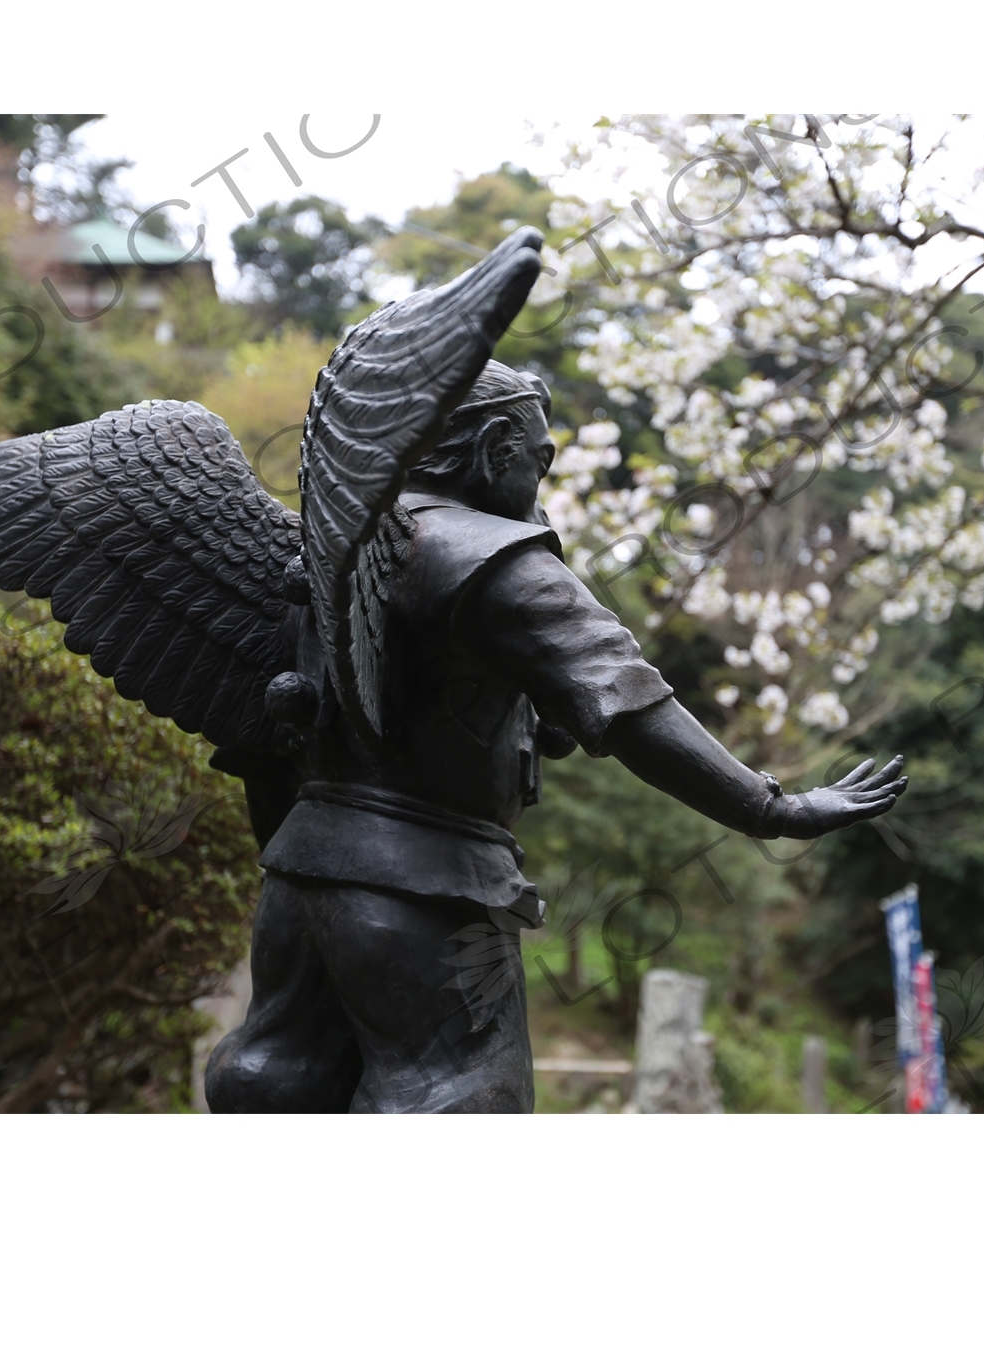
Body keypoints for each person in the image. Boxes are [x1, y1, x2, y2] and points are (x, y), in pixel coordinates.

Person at [204, 363, 907, 1113]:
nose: (539, 482)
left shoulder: (322, 556)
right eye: (536, 460)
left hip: (298, 886)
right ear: (492, 449)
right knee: (464, 1098)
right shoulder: (483, 557)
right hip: (426, 886)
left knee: (277, 1082)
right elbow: (628, 700)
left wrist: (302, 858)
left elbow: (267, 736)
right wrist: (770, 808)